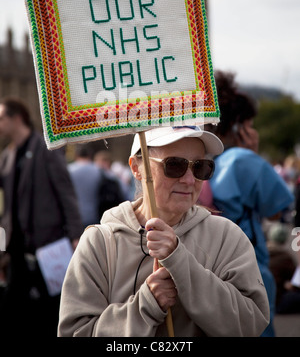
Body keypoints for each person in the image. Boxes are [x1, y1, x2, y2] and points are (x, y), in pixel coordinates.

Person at [58, 126, 270, 337]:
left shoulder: (227, 237)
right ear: (136, 167)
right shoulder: (99, 242)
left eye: (200, 167)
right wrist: (147, 304)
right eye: (174, 165)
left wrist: (180, 262)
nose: (189, 180)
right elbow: (76, 332)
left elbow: (251, 324)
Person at [206, 71, 294, 336]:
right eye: (250, 123)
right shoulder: (243, 160)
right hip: (249, 263)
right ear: (238, 126)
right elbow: (277, 212)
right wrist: (253, 153)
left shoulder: (202, 156)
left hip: (211, 263)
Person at [0, 97, 83, 337]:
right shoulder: (7, 155)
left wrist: (76, 234)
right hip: (15, 247)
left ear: (16, 118)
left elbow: (66, 192)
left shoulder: (46, 147)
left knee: (51, 310)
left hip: (48, 245)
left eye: (1, 118)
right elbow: (7, 209)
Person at [68, 144, 103, 228]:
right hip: (95, 216)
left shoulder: (68, 171)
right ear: (90, 156)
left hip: (73, 216)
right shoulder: (99, 171)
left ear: (76, 156)